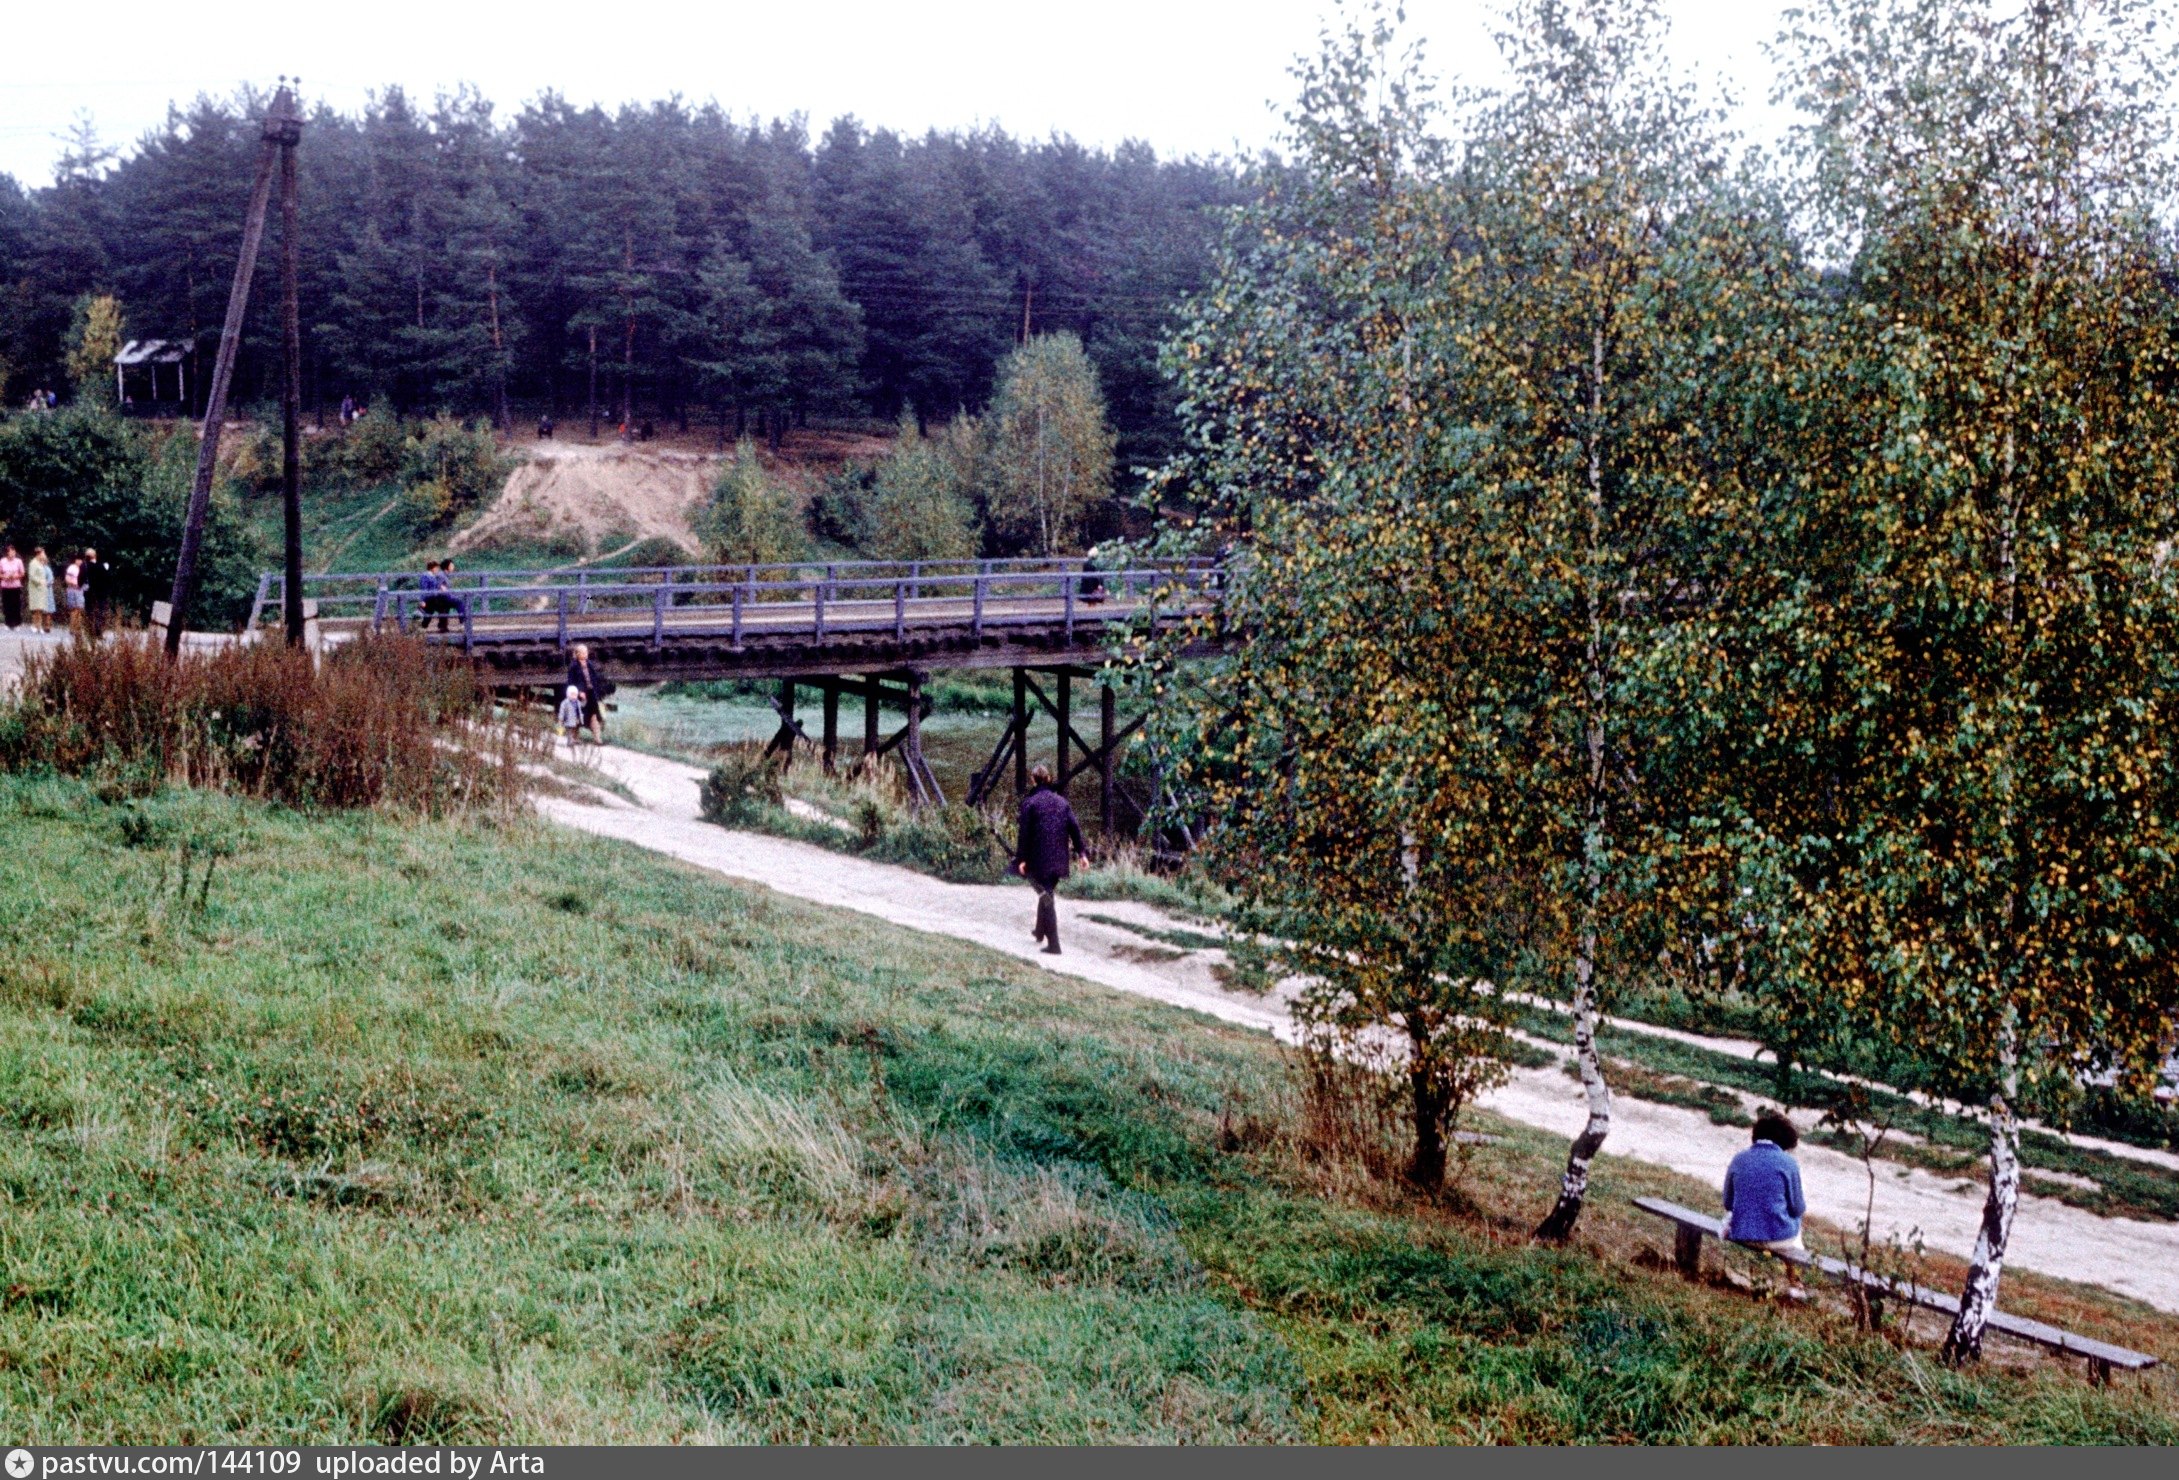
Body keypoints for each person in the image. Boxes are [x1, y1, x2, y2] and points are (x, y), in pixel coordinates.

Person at [1724, 1111, 1809, 1292]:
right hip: (1776, 1238)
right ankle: (1796, 1285)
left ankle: (1769, 1279)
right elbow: (1797, 1208)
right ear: (1785, 1141)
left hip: (1741, 1233)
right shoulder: (1788, 1163)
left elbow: (1728, 1203)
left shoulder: (1738, 1159)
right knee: (1797, 1226)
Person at [1013, 763, 1088, 955]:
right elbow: (1075, 829)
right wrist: (1082, 854)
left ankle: (1054, 944)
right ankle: (1039, 931)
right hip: (1059, 860)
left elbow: (1024, 835)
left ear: (1033, 780)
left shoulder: (1030, 804)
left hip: (1039, 860)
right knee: (1045, 893)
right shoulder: (1062, 803)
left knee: (1046, 898)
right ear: (1049, 779)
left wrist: (1021, 859)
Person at [566, 643, 613, 744]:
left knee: (594, 715)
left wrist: (597, 692)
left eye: (586, 652)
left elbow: (594, 679)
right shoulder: (573, 666)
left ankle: (598, 739)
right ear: (578, 654)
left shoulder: (589, 664)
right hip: (579, 696)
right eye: (583, 652)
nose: (586, 654)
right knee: (578, 716)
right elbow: (571, 682)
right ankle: (573, 738)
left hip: (591, 694)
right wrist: (578, 692)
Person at [78, 548, 111, 636]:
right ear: (95, 555)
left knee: (89, 611)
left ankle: (89, 630)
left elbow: (80, 579)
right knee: (100, 612)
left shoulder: (83, 565)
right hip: (101, 593)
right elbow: (107, 578)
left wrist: (81, 586)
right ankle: (98, 631)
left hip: (88, 592)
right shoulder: (101, 566)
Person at [25, 547, 54, 634]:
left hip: (42, 589)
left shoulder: (40, 563)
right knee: (37, 608)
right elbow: (32, 576)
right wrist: (40, 582)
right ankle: (36, 625)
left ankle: (39, 626)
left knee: (40, 608)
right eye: (43, 553)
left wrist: (44, 582)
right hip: (35, 589)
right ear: (39, 554)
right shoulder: (33, 563)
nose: (44, 555)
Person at [556, 683, 588, 749]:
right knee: (569, 731)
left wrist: (584, 699)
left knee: (574, 730)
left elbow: (583, 705)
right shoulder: (565, 703)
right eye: (572, 694)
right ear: (568, 694)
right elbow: (562, 711)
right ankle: (569, 742)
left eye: (575, 695)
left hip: (575, 719)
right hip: (568, 719)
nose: (574, 696)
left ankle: (573, 740)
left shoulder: (577, 702)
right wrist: (560, 719)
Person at [0, 545, 23, 629]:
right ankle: (8, 623)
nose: (13, 553)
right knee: (6, 605)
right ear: (7, 553)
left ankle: (17, 623)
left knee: (16, 604)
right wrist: (4, 577)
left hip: (15, 586)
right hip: (5, 586)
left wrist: (15, 576)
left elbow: (22, 573)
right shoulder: (2, 561)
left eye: (14, 552)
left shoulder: (18, 561)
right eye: (11, 552)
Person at [62, 554, 84, 633]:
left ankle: (78, 628)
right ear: (75, 560)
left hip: (80, 590)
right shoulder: (72, 568)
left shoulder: (82, 568)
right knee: (74, 609)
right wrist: (74, 584)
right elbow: (67, 579)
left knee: (80, 609)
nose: (80, 561)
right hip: (72, 589)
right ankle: (72, 628)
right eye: (78, 560)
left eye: (81, 560)